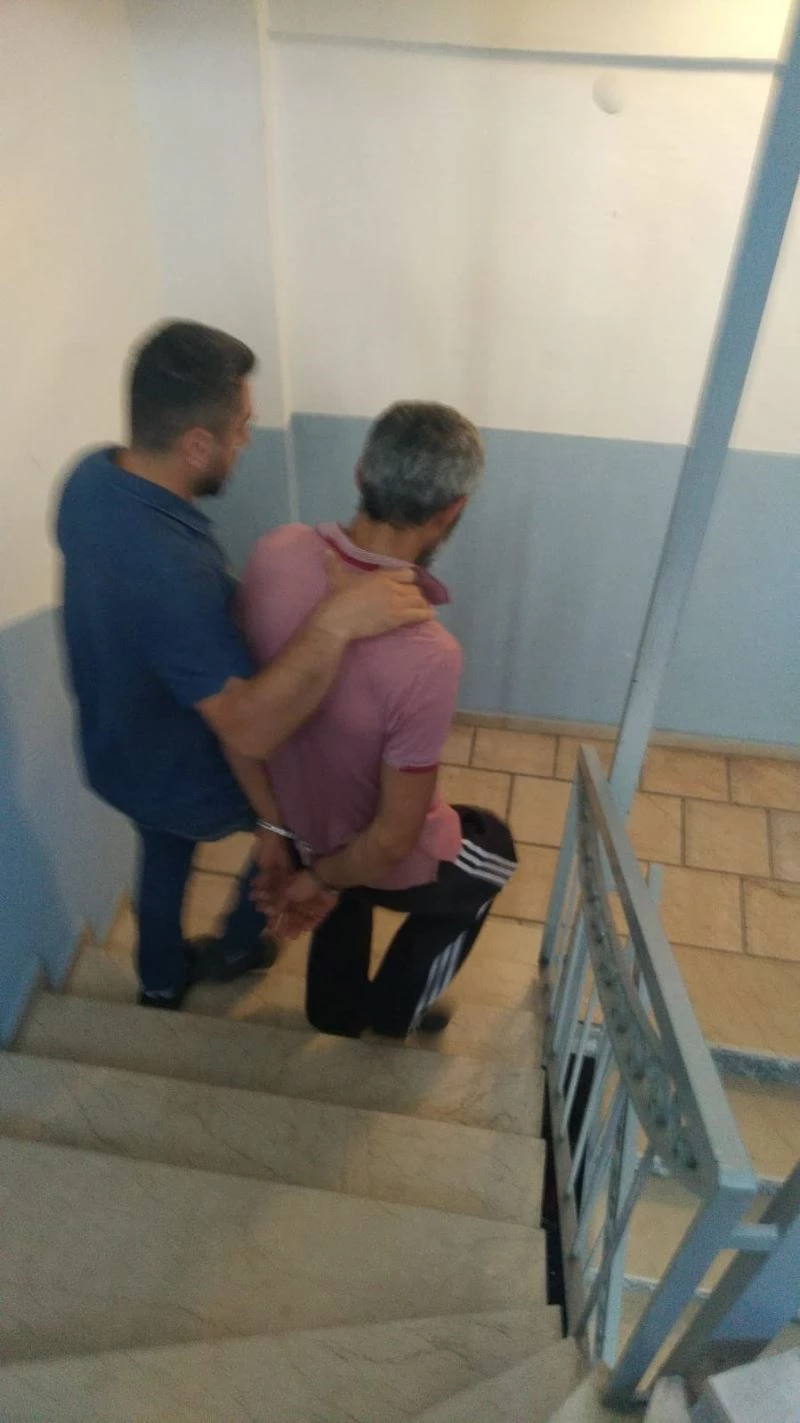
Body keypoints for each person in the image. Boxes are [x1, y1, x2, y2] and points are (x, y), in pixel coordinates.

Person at [56, 322, 430, 1009]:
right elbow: (248, 729)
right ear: (197, 444)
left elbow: (152, 613)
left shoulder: (91, 477)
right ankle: (239, 944)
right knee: (308, 821)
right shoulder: (172, 569)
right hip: (185, 772)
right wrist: (338, 620)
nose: (247, 442)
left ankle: (160, 980)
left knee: (163, 849)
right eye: (242, 429)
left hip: (118, 753)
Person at [242, 401, 517, 1039]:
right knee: (493, 853)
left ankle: (335, 1012)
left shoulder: (274, 553)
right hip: (354, 855)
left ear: (361, 471)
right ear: (452, 510)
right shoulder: (429, 654)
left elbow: (245, 713)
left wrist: (282, 839)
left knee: (344, 866)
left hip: (298, 826)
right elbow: (393, 839)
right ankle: (396, 1013)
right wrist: (318, 880)